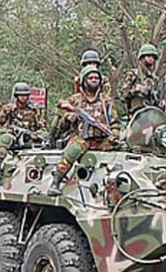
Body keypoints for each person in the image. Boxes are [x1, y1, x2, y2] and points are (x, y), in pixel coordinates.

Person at [48, 65, 119, 196]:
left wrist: (114, 135)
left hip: (102, 140)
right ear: (84, 80)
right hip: (82, 138)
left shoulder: (106, 101)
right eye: (91, 78)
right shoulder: (74, 100)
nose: (94, 80)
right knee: (72, 151)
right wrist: (69, 118)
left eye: (96, 78)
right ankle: (56, 181)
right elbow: (62, 126)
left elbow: (115, 123)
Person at [0, 82, 46, 180]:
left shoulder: (34, 110)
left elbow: (41, 126)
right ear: (16, 96)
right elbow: (0, 123)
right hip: (13, 136)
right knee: (5, 139)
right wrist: (5, 113)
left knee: (44, 138)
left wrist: (37, 135)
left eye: (25, 95)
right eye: (21, 95)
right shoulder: (9, 108)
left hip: (28, 138)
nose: (23, 98)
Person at [121, 43, 162, 114]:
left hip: (152, 115)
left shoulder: (154, 79)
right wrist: (136, 90)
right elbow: (123, 94)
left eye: (153, 57)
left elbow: (157, 99)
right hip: (136, 115)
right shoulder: (133, 74)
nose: (151, 59)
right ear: (142, 58)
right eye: (148, 56)